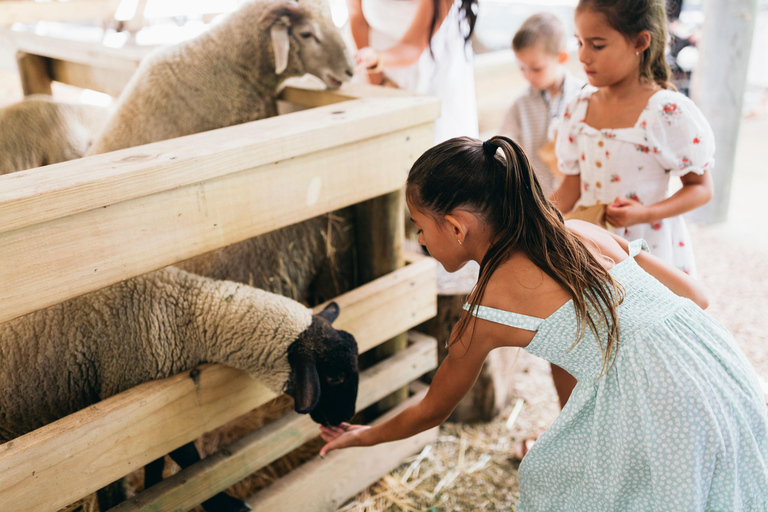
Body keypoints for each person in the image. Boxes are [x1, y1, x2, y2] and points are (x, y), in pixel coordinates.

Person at [318, 135, 768, 510]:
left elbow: (433, 410)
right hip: (727, 374)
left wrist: (365, 436)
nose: (419, 239)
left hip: (667, 409)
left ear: (456, 228)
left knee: (553, 483)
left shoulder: (484, 312)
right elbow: (697, 297)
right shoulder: (580, 233)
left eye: (419, 226)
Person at [550, 0, 714, 278]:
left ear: (640, 41)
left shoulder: (666, 111)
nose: (583, 56)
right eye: (579, 43)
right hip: (592, 249)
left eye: (597, 45)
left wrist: (644, 213)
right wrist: (534, 217)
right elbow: (571, 188)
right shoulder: (577, 106)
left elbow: (701, 188)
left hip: (650, 250)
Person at [346, 0, 479, 143]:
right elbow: (357, 18)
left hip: (431, 65)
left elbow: (413, 45)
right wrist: (378, 80)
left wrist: (378, 59)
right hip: (370, 60)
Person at [499, 12, 585, 196]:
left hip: (577, 201)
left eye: (536, 69)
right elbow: (504, 152)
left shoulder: (583, 98)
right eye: (522, 68)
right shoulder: (519, 106)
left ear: (561, 57)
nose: (528, 76)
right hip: (536, 201)